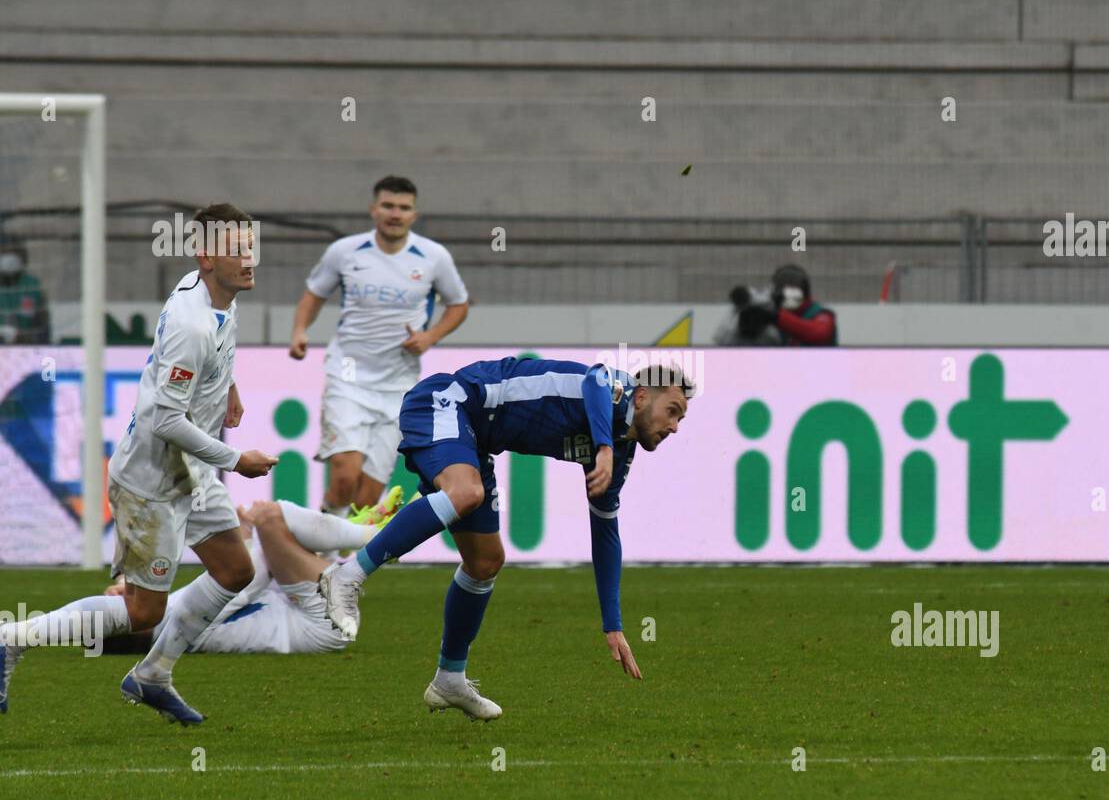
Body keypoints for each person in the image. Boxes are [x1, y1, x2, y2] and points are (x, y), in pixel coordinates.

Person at [0, 204, 280, 724]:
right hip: (151, 480)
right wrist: (237, 459)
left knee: (235, 569)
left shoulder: (212, 294)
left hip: (190, 471)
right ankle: (10, 638)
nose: (248, 259)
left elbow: (216, 351)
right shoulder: (191, 326)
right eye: (235, 250)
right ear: (205, 257)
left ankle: (152, 676)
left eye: (250, 246)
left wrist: (229, 387)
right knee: (141, 611)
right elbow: (166, 421)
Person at [317, 357, 693, 720]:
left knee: (485, 562)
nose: (674, 426)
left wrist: (613, 625)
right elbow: (594, 378)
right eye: (672, 411)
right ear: (641, 397)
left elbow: (606, 534)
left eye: (681, 418)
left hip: (475, 440)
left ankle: (450, 678)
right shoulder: (611, 391)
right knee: (466, 493)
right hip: (450, 400)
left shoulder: (619, 451)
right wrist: (604, 448)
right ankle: (347, 575)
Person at [289, 176, 470, 517]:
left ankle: (343, 560)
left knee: (368, 497)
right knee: (344, 474)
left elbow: (459, 304)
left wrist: (430, 337)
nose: (395, 214)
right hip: (348, 376)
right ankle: (319, 553)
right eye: (388, 205)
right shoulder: (345, 251)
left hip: (399, 386)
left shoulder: (433, 257)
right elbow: (314, 294)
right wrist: (300, 330)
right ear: (374, 210)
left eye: (404, 208)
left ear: (414, 215)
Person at [101, 493, 402, 656]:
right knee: (271, 518)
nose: (117, 593)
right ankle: (374, 536)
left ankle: (361, 533)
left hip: (307, 613)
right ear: (132, 624)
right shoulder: (175, 617)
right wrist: (250, 533)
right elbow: (247, 578)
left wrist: (244, 536)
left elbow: (240, 584)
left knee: (271, 526)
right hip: (323, 622)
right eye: (115, 602)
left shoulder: (165, 621)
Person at [717, 265, 837, 346]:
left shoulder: (822, 314)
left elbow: (820, 333)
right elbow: (722, 340)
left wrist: (775, 317)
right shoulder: (771, 315)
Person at [0, 239, 51, 345]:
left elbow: (43, 322)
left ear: (22, 257)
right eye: (4, 253)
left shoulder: (32, 285)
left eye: (13, 253)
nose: (9, 258)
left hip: (27, 346)